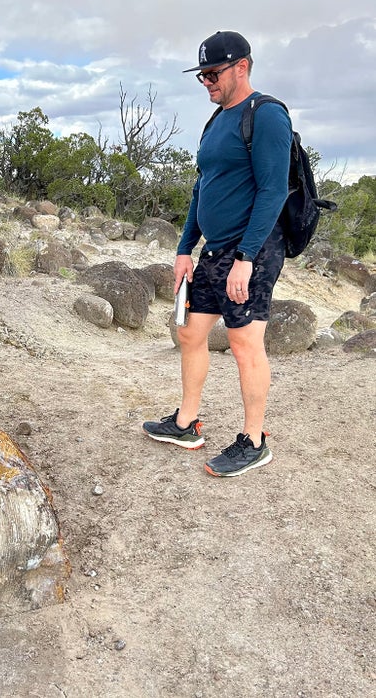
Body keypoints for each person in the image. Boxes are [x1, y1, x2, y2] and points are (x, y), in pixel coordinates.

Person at [142, 30, 292, 477]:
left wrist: (246, 258)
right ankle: (186, 423)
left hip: (254, 249)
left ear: (241, 67)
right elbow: (200, 189)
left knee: (245, 344)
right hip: (213, 252)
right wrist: (185, 247)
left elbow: (273, 190)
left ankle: (255, 439)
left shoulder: (265, 115)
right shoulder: (215, 122)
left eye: (213, 73)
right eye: (201, 75)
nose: (206, 81)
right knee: (189, 332)